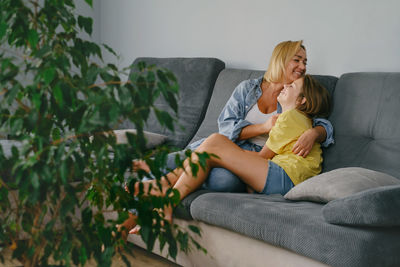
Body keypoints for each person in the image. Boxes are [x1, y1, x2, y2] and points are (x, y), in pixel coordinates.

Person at [118, 40, 334, 235]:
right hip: (231, 147)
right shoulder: (248, 89)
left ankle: (160, 187)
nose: (303, 67)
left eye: (305, 62)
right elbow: (226, 127)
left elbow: (316, 120)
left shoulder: (293, 100)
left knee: (221, 176)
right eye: (297, 60)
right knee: (190, 155)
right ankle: (129, 222)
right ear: (280, 59)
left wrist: (316, 133)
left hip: (253, 161)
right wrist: (262, 127)